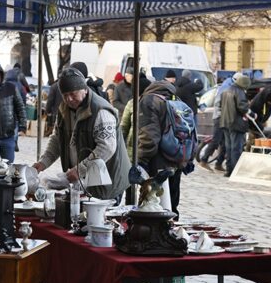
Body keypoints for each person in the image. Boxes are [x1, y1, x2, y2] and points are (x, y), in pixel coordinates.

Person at [33, 67, 130, 201]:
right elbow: (57, 139)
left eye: (73, 94)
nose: (69, 99)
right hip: (84, 182)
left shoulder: (101, 111)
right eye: (65, 95)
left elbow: (107, 147)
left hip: (107, 181)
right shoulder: (64, 110)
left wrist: (81, 169)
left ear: (84, 89)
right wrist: (43, 162)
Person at [138, 79, 186, 215]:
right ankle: (172, 233)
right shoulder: (176, 99)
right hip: (177, 158)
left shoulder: (149, 100)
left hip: (157, 161)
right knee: (172, 205)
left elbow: (149, 136)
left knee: (153, 208)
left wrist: (142, 161)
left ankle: (156, 235)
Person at [199, 75, 234, 172]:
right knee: (216, 140)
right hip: (219, 118)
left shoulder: (225, 88)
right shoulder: (224, 90)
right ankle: (204, 160)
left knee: (224, 143)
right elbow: (221, 106)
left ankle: (218, 163)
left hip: (223, 118)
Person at [220, 72, 252, 176]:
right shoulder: (239, 92)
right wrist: (251, 113)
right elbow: (242, 106)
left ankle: (228, 170)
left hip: (225, 122)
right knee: (236, 148)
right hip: (235, 123)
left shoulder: (226, 90)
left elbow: (221, 105)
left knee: (228, 148)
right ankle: (235, 171)